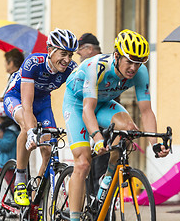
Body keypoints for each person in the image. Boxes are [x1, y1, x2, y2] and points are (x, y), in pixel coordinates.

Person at [63, 29, 169, 221]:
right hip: (78, 105)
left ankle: (108, 178)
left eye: (139, 63)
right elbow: (87, 110)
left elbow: (146, 111)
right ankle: (75, 217)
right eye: (129, 61)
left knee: (129, 131)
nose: (134, 68)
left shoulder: (140, 72)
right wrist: (97, 138)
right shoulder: (97, 67)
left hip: (103, 104)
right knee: (84, 162)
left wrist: (155, 144)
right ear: (117, 55)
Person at [3, 28, 78, 206]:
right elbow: (27, 106)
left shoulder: (71, 69)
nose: (67, 60)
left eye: (70, 55)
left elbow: (79, 97)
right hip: (17, 98)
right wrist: (31, 131)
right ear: (50, 50)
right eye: (63, 54)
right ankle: (20, 181)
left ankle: (38, 192)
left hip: (43, 103)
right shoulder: (33, 63)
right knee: (27, 125)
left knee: (48, 149)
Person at [76, 32, 109, 193]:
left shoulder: (103, 66)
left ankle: (102, 214)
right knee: (90, 169)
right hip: (91, 121)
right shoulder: (86, 66)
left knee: (100, 172)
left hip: (103, 123)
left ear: (89, 49)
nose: (77, 53)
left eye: (80, 49)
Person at [0, 102, 19, 184]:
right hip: (5, 163)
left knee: (10, 185)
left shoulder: (10, 131)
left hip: (8, 164)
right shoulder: (4, 128)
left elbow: (5, 146)